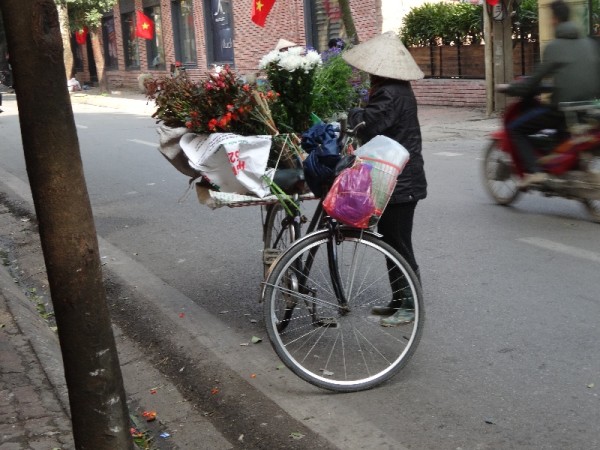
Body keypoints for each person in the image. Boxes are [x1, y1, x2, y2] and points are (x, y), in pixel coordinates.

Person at [343, 31, 427, 326]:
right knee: (391, 242)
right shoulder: (398, 90)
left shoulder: (390, 93)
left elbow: (369, 124)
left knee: (399, 244)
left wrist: (352, 114)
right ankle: (399, 299)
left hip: (401, 183)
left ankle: (410, 305)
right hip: (401, 180)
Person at [505, 0, 600, 188]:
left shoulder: (555, 47)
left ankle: (534, 172)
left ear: (555, 19)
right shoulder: (589, 44)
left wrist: (512, 89)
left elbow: (534, 80)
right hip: (588, 108)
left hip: (562, 109)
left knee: (515, 128)